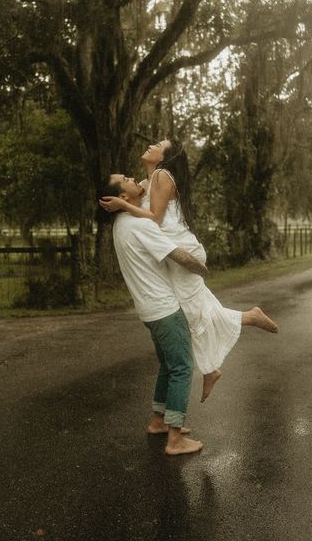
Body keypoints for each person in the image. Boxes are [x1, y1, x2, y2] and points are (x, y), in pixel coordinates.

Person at [100, 139, 278, 403]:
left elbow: (155, 220)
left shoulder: (161, 175)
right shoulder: (150, 180)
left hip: (182, 251)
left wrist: (124, 206)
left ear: (165, 156)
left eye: (159, 144)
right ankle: (219, 357)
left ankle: (222, 354)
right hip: (172, 252)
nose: (151, 144)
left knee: (192, 315)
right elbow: (142, 202)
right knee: (194, 309)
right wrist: (128, 197)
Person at [100, 173, 208, 456]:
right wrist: (202, 268)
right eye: (125, 178)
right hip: (164, 309)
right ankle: (175, 439)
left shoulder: (122, 222)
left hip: (148, 309)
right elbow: (177, 254)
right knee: (183, 366)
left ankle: (158, 421)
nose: (132, 177)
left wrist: (135, 193)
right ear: (123, 197)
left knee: (168, 365)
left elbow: (147, 185)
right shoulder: (138, 225)